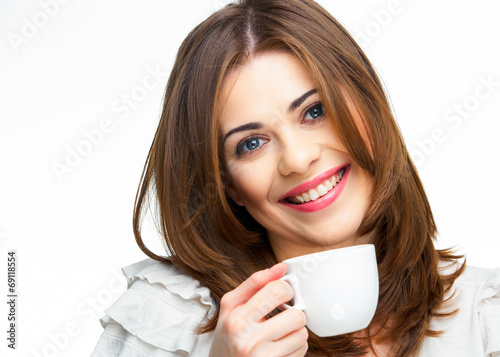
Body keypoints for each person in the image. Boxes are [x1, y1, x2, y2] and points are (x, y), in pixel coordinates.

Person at [91, 0, 500, 356]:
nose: (299, 159)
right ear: (226, 184)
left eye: (315, 111)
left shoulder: (484, 318)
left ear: (370, 108)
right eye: (251, 143)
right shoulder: (164, 319)